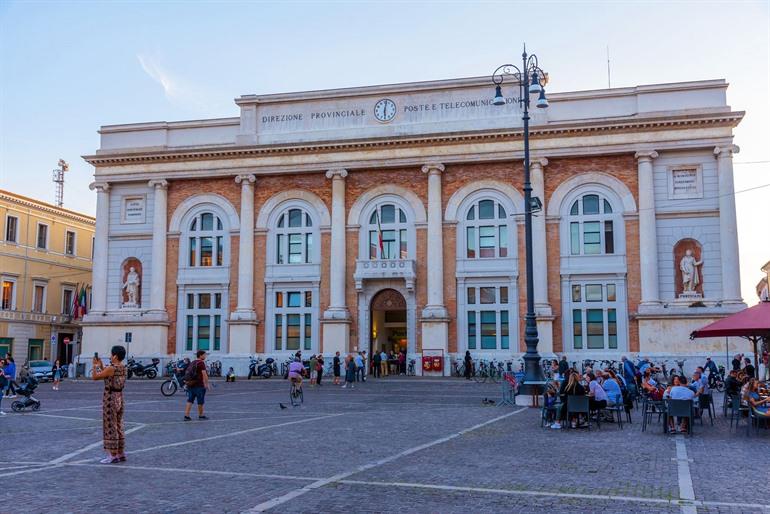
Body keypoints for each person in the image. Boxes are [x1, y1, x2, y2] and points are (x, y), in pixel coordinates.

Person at [91, 345, 127, 464]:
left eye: (111, 354)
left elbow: (95, 377)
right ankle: (121, 453)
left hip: (110, 398)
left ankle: (112, 455)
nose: (110, 357)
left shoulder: (112, 368)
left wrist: (95, 365)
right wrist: (101, 366)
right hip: (120, 398)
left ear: (115, 356)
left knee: (110, 426)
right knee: (118, 424)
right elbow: (107, 374)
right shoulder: (122, 367)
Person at [183, 350, 209, 421]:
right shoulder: (201, 363)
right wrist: (206, 384)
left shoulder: (193, 362)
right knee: (200, 401)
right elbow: (204, 374)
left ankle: (186, 415)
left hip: (191, 384)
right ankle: (201, 415)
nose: (205, 356)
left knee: (190, 400)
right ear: (200, 355)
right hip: (199, 385)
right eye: (204, 355)